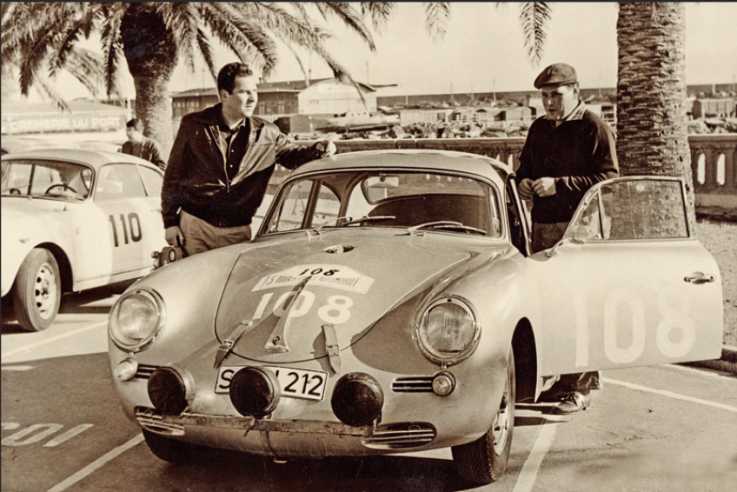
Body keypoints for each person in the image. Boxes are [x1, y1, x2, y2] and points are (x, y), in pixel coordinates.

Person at [515, 63, 619, 415]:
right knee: (553, 305)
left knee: (581, 305)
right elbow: (524, 169)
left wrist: (559, 184)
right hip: (543, 227)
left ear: (576, 91)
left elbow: (608, 178)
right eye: (544, 96)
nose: (549, 103)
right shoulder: (539, 128)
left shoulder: (594, 127)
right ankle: (565, 380)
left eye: (556, 95)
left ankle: (582, 386)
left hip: (580, 230)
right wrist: (524, 184)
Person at [161, 62, 336, 256]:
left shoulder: (267, 132)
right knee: (193, 284)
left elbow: (292, 155)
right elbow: (173, 175)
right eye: (245, 92)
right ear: (225, 95)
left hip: (237, 232)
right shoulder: (193, 125)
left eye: (255, 90)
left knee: (232, 285)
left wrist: (319, 149)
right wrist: (170, 223)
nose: (253, 98)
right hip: (194, 229)